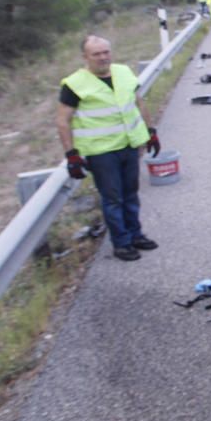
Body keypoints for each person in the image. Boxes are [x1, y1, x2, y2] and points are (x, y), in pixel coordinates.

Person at [56, 36, 160, 261]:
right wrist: (71, 154)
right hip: (101, 152)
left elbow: (138, 102)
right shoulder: (74, 84)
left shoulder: (123, 72)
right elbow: (62, 120)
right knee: (113, 198)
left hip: (130, 144)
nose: (103, 57)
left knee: (131, 194)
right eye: (96, 54)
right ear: (85, 57)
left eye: (106, 52)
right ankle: (121, 243)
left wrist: (150, 132)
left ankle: (136, 235)